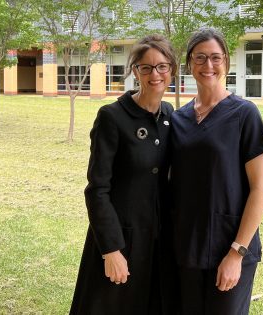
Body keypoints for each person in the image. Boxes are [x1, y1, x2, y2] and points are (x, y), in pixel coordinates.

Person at [70, 34, 178, 315]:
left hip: (156, 244)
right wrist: (111, 250)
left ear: (172, 70)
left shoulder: (169, 115)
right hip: (120, 242)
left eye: (162, 66)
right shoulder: (112, 117)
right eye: (146, 67)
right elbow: (97, 189)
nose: (155, 74)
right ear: (135, 72)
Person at [169, 28, 263, 315]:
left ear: (226, 61)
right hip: (187, 247)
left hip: (230, 247)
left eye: (216, 57)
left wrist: (236, 253)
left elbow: (260, 188)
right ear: (189, 63)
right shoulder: (178, 119)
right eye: (200, 58)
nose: (208, 66)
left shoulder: (244, 114)